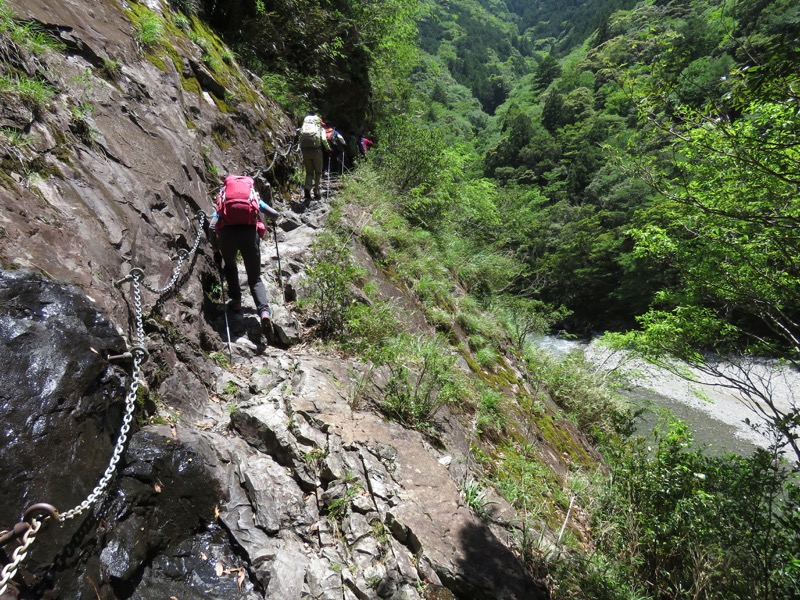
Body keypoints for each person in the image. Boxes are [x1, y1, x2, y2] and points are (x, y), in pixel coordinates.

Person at [209, 175, 279, 336]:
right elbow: (273, 214)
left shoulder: (224, 197)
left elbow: (212, 226)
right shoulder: (252, 196)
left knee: (231, 267)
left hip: (227, 236)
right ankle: (264, 312)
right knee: (254, 278)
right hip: (249, 235)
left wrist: (215, 249)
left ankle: (236, 303)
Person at [298, 114, 330, 204]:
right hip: (316, 151)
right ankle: (317, 191)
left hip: (305, 151)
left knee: (309, 172)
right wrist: (328, 149)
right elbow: (323, 139)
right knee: (318, 172)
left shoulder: (304, 128)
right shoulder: (320, 129)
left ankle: (307, 188)